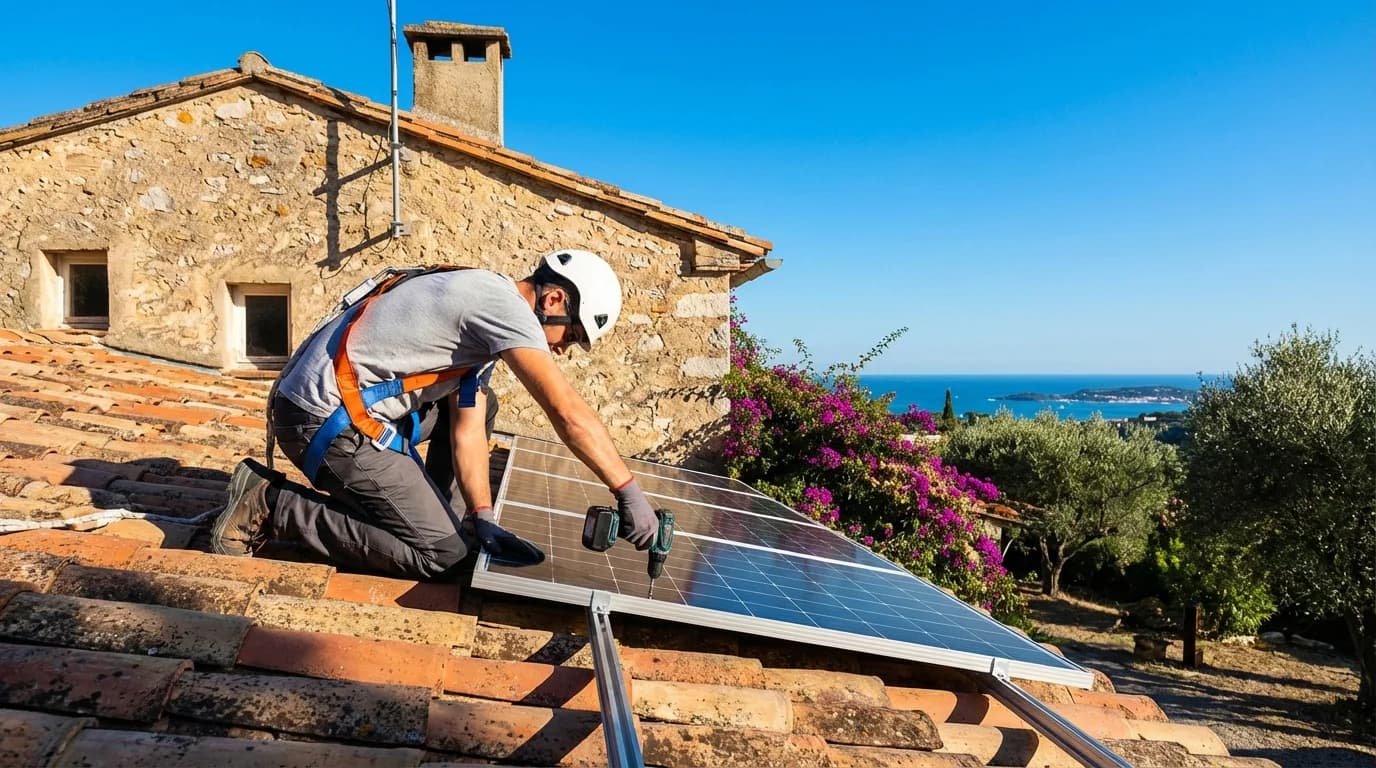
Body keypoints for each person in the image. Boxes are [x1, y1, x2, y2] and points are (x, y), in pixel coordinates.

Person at [209, 249, 659, 579]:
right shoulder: (503, 309)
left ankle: (450, 520)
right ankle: (271, 503)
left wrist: (482, 515)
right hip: (321, 420)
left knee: (485, 407)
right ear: (555, 300)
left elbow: (467, 428)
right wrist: (628, 490)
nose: (562, 349)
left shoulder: (487, 300)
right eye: (572, 335)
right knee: (443, 558)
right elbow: (568, 413)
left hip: (334, 404)